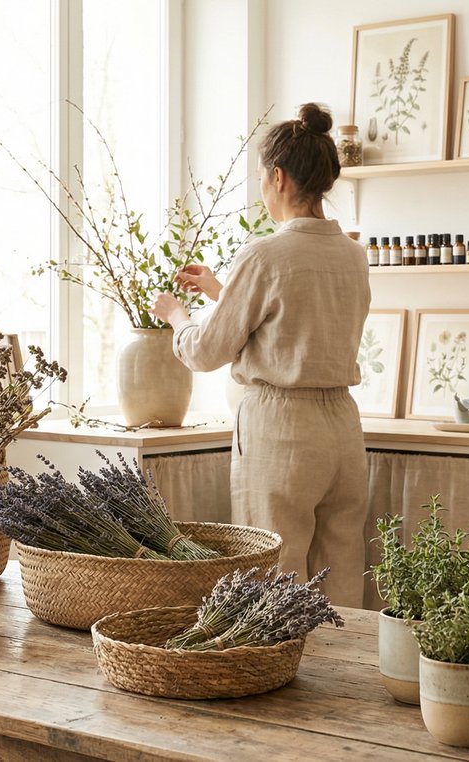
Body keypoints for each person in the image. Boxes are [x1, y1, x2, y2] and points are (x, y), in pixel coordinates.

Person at [148, 103, 371, 607]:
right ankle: (346, 674)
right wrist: (222, 293)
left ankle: (285, 675)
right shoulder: (354, 256)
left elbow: (206, 352)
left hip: (282, 429)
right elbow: (296, 322)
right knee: (342, 565)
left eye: (261, 179)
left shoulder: (264, 254)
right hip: (342, 427)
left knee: (274, 571)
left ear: (278, 177)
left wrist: (178, 315)